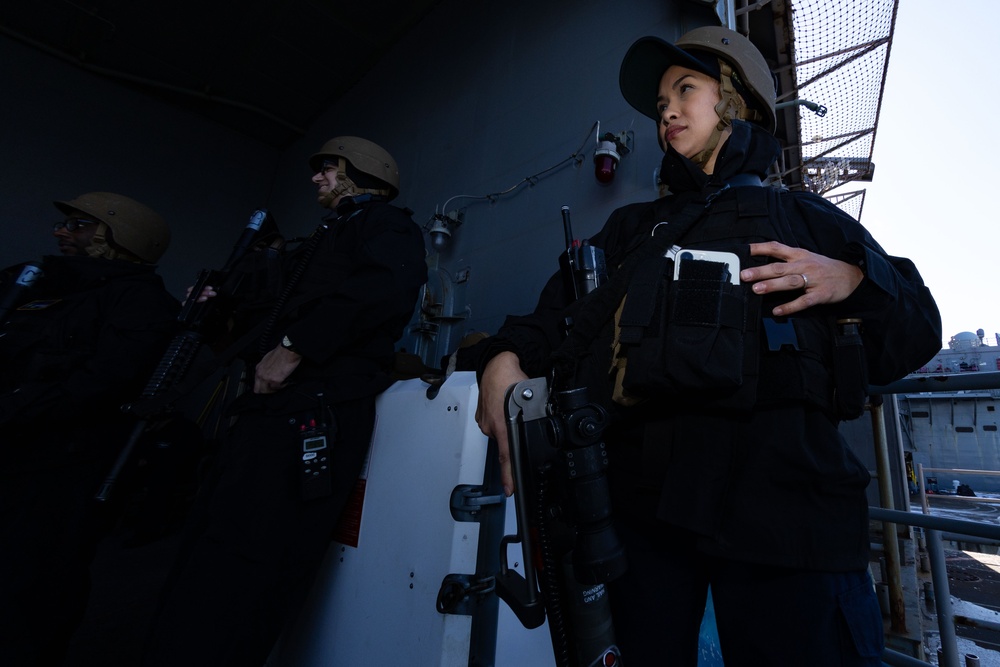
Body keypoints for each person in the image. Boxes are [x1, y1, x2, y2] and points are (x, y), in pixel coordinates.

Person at [471, 26, 941, 666]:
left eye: (684, 89)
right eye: (660, 98)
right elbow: (557, 316)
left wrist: (855, 280)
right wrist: (504, 356)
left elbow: (917, 330)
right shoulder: (632, 230)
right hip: (647, 518)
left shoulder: (803, 218)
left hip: (788, 514)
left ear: (735, 101)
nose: (665, 109)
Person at [142, 136, 428, 666]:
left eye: (329, 169)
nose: (317, 179)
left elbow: (381, 291)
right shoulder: (318, 241)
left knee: (253, 559)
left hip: (312, 409)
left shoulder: (385, 225)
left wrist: (295, 348)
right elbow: (272, 317)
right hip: (266, 413)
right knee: (214, 550)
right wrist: (219, 308)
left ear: (361, 174)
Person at [0, 192, 178, 666]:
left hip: (63, 462)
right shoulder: (36, 282)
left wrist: (17, 408)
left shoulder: (139, 299)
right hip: (17, 446)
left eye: (79, 226)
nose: (62, 232)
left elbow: (106, 377)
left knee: (32, 581)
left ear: (121, 238)